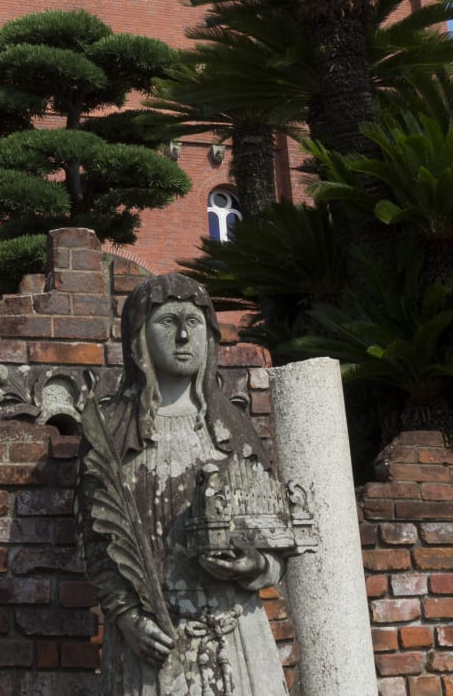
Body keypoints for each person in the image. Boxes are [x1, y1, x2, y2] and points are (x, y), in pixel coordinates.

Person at [78, 273, 291, 696]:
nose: (181, 336)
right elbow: (94, 541)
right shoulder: (110, 431)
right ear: (139, 334)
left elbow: (278, 539)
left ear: (209, 337)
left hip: (237, 640)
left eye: (193, 322)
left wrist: (256, 566)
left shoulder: (234, 429)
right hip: (152, 644)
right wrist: (127, 618)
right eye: (167, 322)